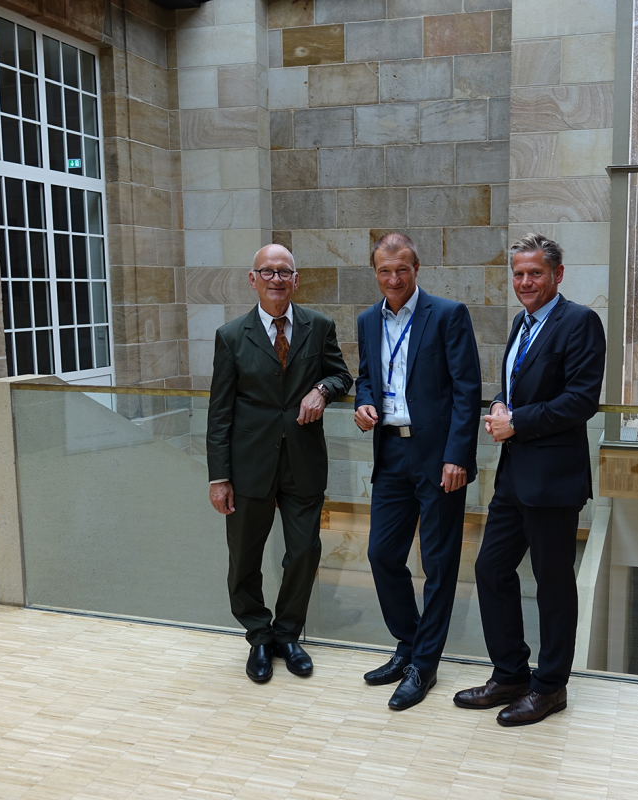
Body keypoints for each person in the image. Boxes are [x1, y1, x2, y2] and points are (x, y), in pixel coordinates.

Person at [453, 233, 606, 726]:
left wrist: (517, 421)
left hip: (553, 481)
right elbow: (516, 385)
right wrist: (502, 403)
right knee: (490, 570)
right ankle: (511, 675)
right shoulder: (522, 323)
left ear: (557, 275)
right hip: (514, 478)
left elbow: (581, 400)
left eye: (535, 273)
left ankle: (551, 686)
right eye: (518, 274)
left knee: (553, 584)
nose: (525, 282)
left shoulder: (579, 321)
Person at [206, 243, 353, 683]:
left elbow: (342, 375)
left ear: (296, 279)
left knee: (304, 551)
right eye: (267, 271)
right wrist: (219, 477)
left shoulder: (319, 326)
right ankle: (258, 635)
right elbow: (220, 412)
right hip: (249, 466)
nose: (276, 279)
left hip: (302, 462)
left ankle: (288, 634)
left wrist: (322, 390)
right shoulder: (231, 335)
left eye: (284, 271)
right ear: (253, 280)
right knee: (244, 558)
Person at [354, 232, 483, 710]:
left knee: (438, 563)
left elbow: (468, 390)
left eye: (402, 269)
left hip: (438, 457)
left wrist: (458, 456)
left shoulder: (447, 314)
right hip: (391, 453)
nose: (394, 279)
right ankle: (409, 645)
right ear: (375, 272)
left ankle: (424, 666)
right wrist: (364, 402)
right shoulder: (368, 320)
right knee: (381, 554)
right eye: (385, 271)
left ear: (417, 268)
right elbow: (365, 376)